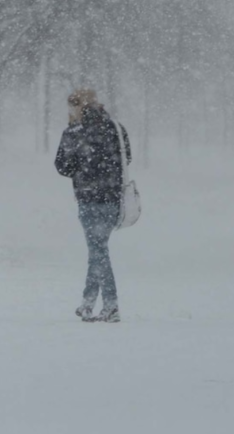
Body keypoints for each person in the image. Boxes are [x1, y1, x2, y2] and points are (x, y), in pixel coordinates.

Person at [54, 89, 131, 323]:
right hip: (113, 199)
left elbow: (62, 166)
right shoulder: (117, 128)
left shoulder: (74, 132)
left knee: (98, 251)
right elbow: (126, 158)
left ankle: (110, 304)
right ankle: (87, 303)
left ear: (77, 106)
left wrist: (82, 165)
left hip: (89, 199)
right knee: (98, 250)